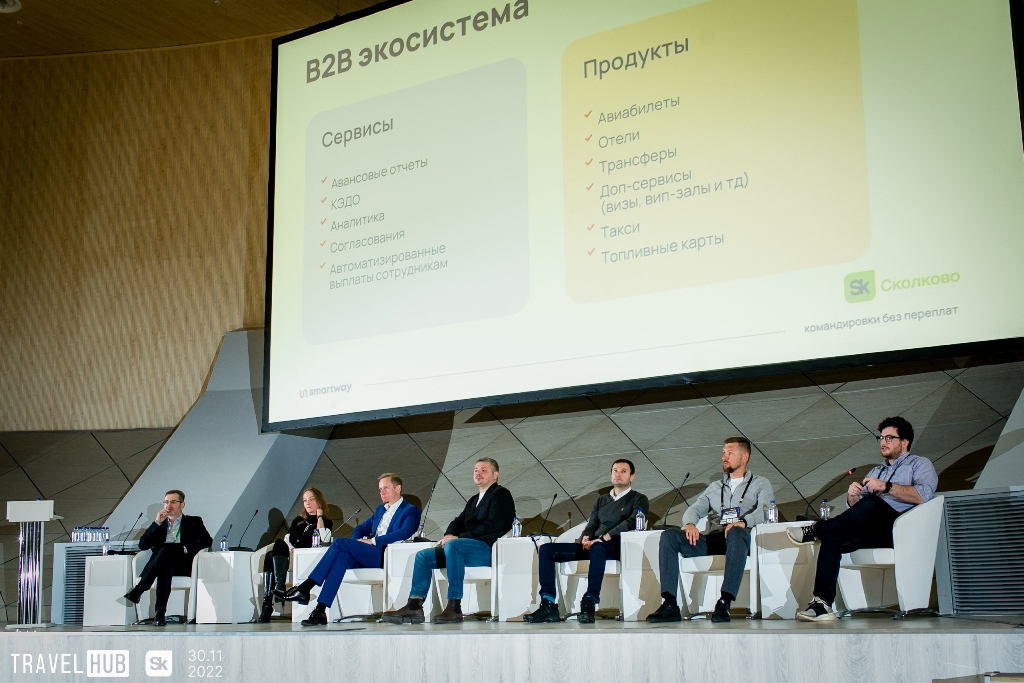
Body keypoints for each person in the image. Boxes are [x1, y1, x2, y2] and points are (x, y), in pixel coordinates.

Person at [789, 416, 937, 621]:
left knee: (874, 503)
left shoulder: (919, 464)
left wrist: (886, 487)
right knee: (833, 539)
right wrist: (853, 496)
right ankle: (822, 604)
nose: (883, 442)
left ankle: (817, 529)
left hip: (901, 530)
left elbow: (923, 495)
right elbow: (858, 510)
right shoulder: (877, 470)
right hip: (873, 530)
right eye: (881, 438)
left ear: (905, 442)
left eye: (889, 438)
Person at [647, 437, 774, 623]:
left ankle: (724, 601)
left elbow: (766, 509)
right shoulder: (715, 487)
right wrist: (690, 524)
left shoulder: (760, 483)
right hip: (714, 539)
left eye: (730, 453)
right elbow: (695, 509)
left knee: (736, 532)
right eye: (723, 453)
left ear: (745, 457)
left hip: (740, 539)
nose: (724, 457)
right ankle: (670, 604)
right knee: (669, 536)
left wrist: (744, 522)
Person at [382, 458, 515, 624]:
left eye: (483, 470)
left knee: (453, 545)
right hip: (460, 549)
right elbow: (458, 522)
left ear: (495, 475)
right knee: (423, 556)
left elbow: (493, 525)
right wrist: (448, 535)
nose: (478, 473)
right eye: (475, 470)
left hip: (486, 549)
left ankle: (454, 607)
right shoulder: (474, 500)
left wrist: (458, 538)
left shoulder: (501, 494)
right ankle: (414, 606)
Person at [279, 474, 420, 626]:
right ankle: (320, 610)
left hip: (384, 555)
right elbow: (360, 528)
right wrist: (356, 542)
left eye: (385, 488)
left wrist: (372, 541)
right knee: (341, 557)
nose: (381, 492)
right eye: (380, 489)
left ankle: (305, 587)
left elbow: (404, 532)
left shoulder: (410, 510)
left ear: (398, 488)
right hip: (368, 553)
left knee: (339, 542)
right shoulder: (380, 510)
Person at [525, 459, 649, 624]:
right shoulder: (602, 500)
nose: (618, 474)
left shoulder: (639, 499)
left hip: (616, 546)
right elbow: (592, 523)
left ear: (632, 477)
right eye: (615, 470)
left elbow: (633, 521)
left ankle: (589, 601)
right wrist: (587, 537)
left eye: (623, 471)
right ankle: (548, 604)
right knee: (547, 550)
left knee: (598, 548)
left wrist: (604, 537)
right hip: (595, 544)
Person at [124, 489, 212, 626]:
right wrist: (156, 522)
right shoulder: (159, 524)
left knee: (166, 551)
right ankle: (159, 615)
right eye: (166, 502)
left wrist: (186, 548)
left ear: (182, 505)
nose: (168, 506)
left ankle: (140, 589)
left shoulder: (194, 521)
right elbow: (142, 545)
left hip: (183, 563)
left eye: (173, 502)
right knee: (166, 562)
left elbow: (207, 540)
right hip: (162, 564)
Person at [256, 487, 334, 623]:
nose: (308, 503)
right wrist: (291, 549)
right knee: (275, 547)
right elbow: (288, 538)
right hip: (289, 555)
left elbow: (324, 539)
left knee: (270, 556)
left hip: (306, 557)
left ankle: (267, 605)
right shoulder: (298, 520)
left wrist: (319, 517)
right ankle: (277, 589)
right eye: (305, 500)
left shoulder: (326, 522)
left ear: (319, 501)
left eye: (311, 499)